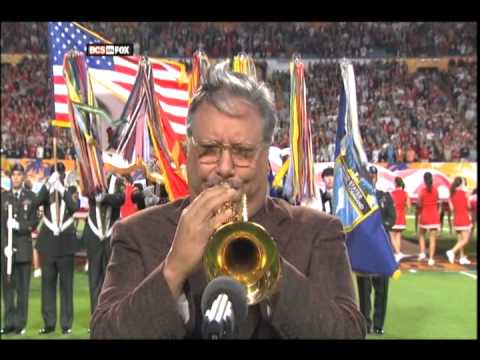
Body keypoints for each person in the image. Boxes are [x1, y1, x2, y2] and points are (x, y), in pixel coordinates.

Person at [91, 62, 366, 339]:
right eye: (209, 150)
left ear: (265, 158)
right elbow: (103, 334)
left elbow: (349, 333)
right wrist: (173, 269)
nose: (224, 167)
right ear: (188, 153)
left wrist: (271, 272)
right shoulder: (136, 233)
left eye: (243, 152)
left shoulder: (318, 231)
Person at [34, 162, 80, 335]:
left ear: (63, 175)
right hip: (48, 244)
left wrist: (62, 189)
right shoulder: (46, 190)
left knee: (67, 286)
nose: (57, 176)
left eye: (59, 174)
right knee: (48, 286)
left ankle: (66, 324)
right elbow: (36, 202)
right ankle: (49, 323)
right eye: (54, 174)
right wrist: (48, 185)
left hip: (66, 244)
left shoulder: (71, 189)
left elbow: (75, 207)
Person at [356, 165, 396, 335]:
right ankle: (365, 323)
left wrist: (378, 229)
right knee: (364, 291)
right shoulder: (358, 199)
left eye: (372, 175)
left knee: (382, 289)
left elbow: (392, 218)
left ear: (376, 177)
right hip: (364, 250)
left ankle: (378, 324)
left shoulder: (385, 197)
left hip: (381, 250)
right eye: (367, 175)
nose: (370, 178)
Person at [1, 163, 38, 335]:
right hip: (7, 252)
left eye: (18, 174)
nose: (16, 177)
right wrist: (4, 247)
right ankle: (8, 322)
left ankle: (20, 324)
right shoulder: (3, 197)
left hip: (23, 250)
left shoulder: (31, 197)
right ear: (10, 177)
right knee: (8, 290)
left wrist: (19, 226)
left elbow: (33, 223)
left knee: (23, 290)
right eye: (13, 175)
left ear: (23, 177)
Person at [82, 173, 125, 320]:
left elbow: (121, 198)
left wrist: (105, 197)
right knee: (94, 279)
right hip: (94, 235)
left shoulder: (117, 180)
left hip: (110, 235)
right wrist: (94, 193)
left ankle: (109, 314)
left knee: (110, 278)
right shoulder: (91, 178)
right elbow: (85, 192)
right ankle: (95, 316)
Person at [445, 177, 472, 265]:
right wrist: (467, 198)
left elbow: (452, 209)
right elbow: (469, 206)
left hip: (456, 218)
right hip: (464, 218)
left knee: (460, 240)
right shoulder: (465, 193)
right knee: (465, 240)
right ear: (461, 184)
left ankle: (462, 257)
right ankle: (452, 251)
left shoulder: (451, 194)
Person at [417, 172, 440, 266]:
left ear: (424, 180)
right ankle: (431, 259)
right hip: (434, 216)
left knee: (421, 234)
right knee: (432, 239)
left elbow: (419, 203)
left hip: (425, 215)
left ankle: (422, 253)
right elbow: (437, 201)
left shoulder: (422, 191)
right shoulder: (436, 190)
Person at [390, 177, 410, 262]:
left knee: (392, 237)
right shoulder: (406, 193)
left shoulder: (392, 193)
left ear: (395, 184)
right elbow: (409, 205)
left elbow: (390, 205)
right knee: (398, 236)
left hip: (394, 217)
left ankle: (398, 253)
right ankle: (398, 255)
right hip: (402, 217)